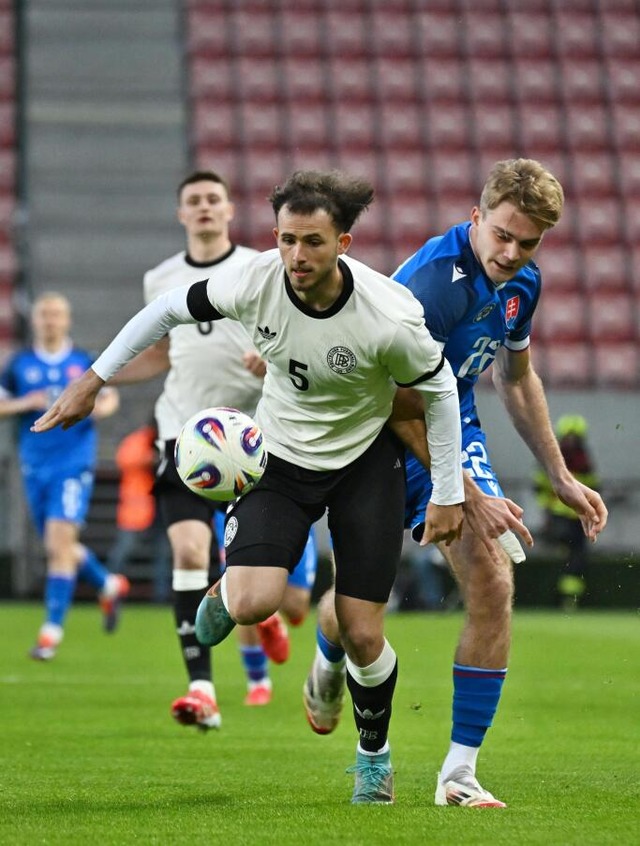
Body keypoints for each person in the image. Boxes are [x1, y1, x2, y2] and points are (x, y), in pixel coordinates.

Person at [32, 169, 466, 804]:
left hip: (363, 465)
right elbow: (164, 310)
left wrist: (448, 490)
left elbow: (438, 388)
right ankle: (230, 589)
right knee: (255, 604)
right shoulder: (255, 279)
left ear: (343, 244)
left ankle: (373, 757)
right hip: (279, 461)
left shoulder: (388, 316)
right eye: (287, 239)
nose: (297, 256)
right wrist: (94, 378)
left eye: (313, 242)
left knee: (363, 632)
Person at [302, 158, 608, 808]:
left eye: (527, 242)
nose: (511, 252)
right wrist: (464, 490)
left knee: (493, 579)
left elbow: (516, 377)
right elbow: (392, 395)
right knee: (364, 607)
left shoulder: (523, 281)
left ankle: (458, 775)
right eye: (501, 234)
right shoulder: (431, 286)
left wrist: (561, 475)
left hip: (449, 417)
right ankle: (331, 649)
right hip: (376, 424)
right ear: (476, 218)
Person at [107, 170, 317, 726]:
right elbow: (162, 352)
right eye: (193, 201)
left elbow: (299, 335)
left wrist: (270, 358)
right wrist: (99, 377)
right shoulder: (161, 278)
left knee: (292, 602)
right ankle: (202, 690)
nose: (203, 208)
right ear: (181, 214)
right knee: (189, 553)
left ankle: (259, 607)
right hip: (184, 436)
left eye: (212, 200)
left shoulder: (259, 266)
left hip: (254, 440)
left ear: (228, 210)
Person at [0, 292, 129, 660]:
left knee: (58, 546)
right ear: (35, 320)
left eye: (56, 314)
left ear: (67, 320)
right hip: (34, 464)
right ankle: (108, 583)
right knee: (59, 547)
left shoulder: (82, 361)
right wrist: (27, 403)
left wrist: (95, 407)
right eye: (44, 314)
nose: (50, 320)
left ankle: (50, 633)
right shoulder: (19, 365)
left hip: (73, 464)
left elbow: (110, 397)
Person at [534, 414, 600, 610]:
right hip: (561, 517)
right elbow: (540, 487)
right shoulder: (560, 462)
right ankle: (566, 597)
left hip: (575, 518)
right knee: (572, 556)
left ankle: (569, 598)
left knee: (576, 557)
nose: (571, 442)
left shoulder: (583, 463)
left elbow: (593, 488)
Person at [105, 420, 172, 603]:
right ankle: (108, 588)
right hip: (139, 507)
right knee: (124, 550)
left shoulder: (173, 439)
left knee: (163, 553)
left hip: (163, 505)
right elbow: (124, 459)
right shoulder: (140, 440)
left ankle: (161, 597)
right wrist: (149, 458)